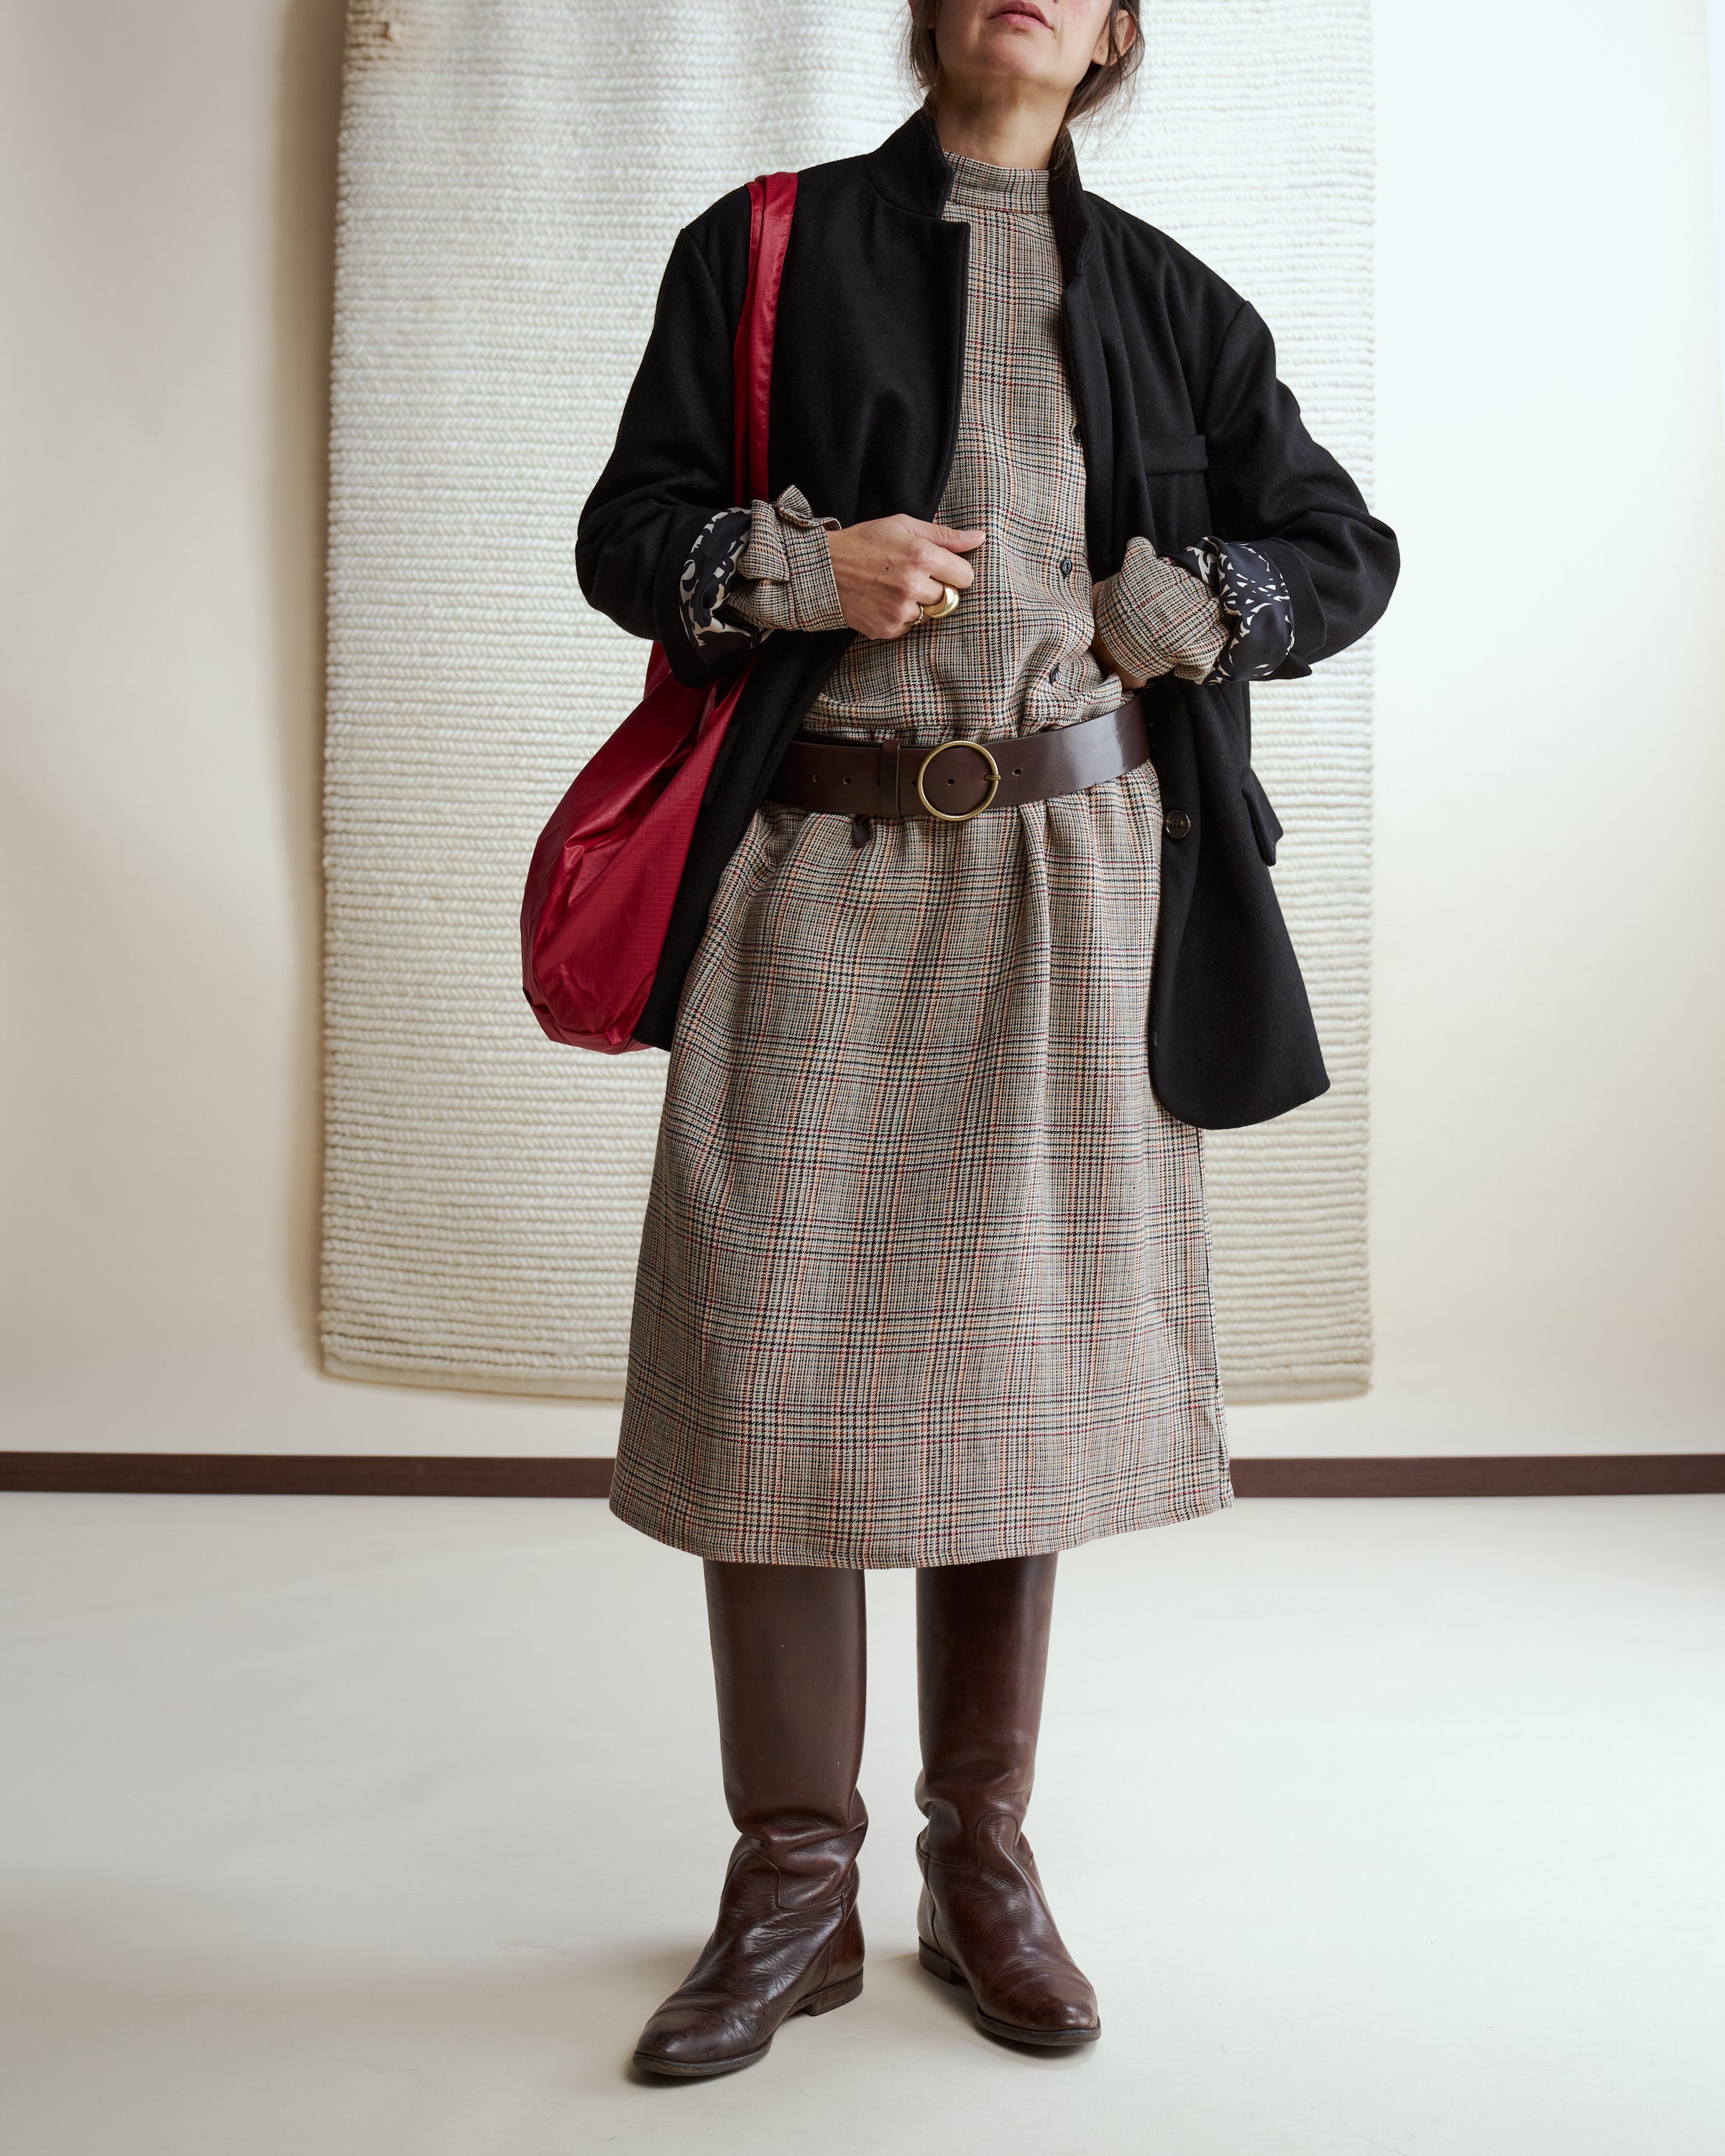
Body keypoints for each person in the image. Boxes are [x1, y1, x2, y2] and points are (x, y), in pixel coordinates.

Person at [575, 0, 1397, 2080]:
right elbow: (625, 535)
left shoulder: (1173, 298)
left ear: (1114, 34)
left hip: (1075, 888)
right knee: (768, 1357)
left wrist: (1201, 605)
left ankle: (979, 1864)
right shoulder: (760, 247)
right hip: (814, 869)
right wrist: (796, 569)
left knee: (1007, 1360)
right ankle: (792, 1881)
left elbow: (1342, 548)